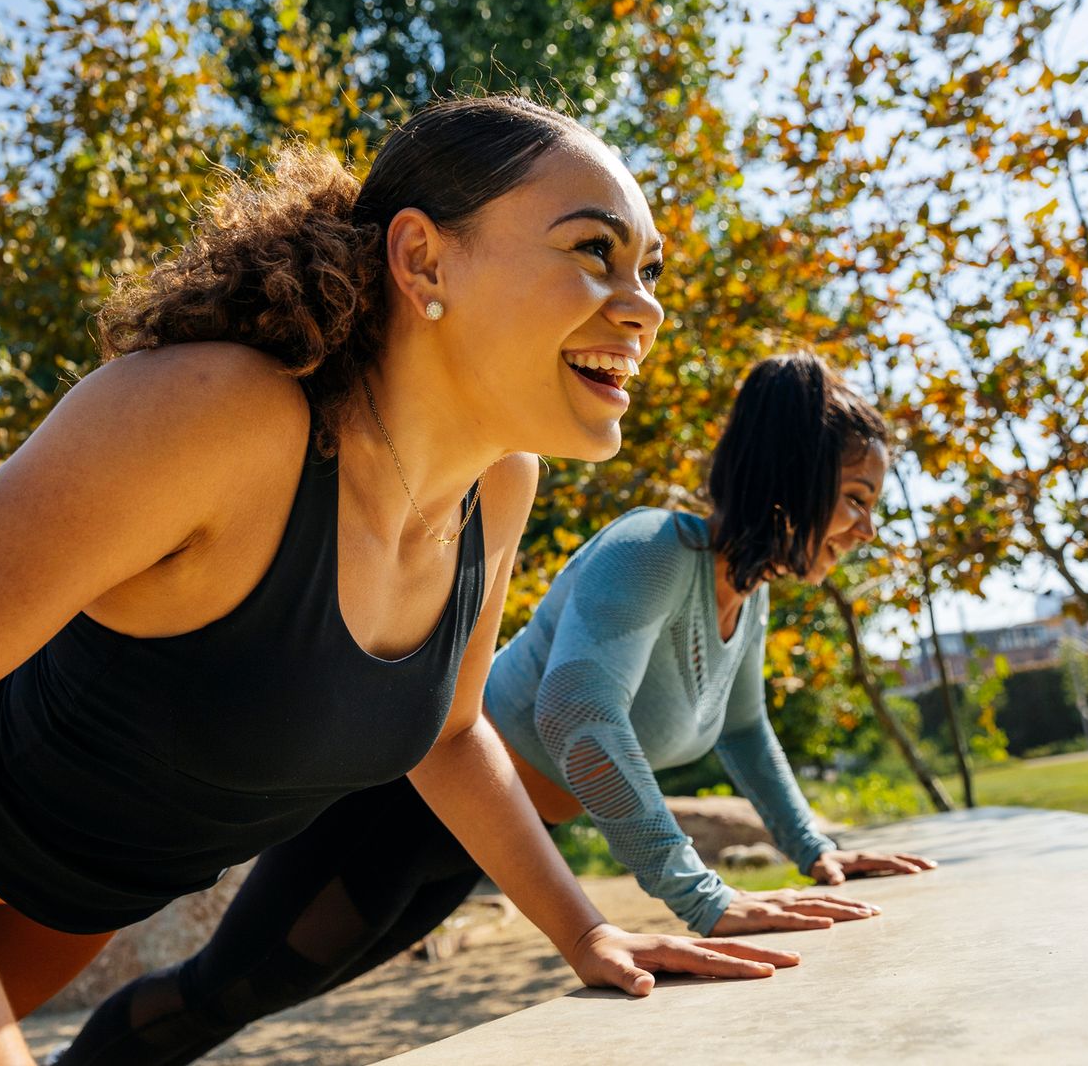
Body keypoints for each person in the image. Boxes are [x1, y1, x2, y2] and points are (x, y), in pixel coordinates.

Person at [0, 95, 801, 1066]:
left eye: (648, 267)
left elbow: (448, 737)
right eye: (593, 251)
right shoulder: (219, 414)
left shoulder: (501, 490)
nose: (642, 305)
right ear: (421, 256)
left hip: (73, 902)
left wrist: (590, 935)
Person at [63, 352, 938, 1065]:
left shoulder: (746, 599)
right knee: (231, 987)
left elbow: (746, 732)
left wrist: (819, 852)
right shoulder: (653, 549)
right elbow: (578, 716)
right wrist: (699, 896)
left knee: (263, 992)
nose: (866, 529)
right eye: (856, 500)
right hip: (406, 805)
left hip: (487, 842)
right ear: (791, 479)